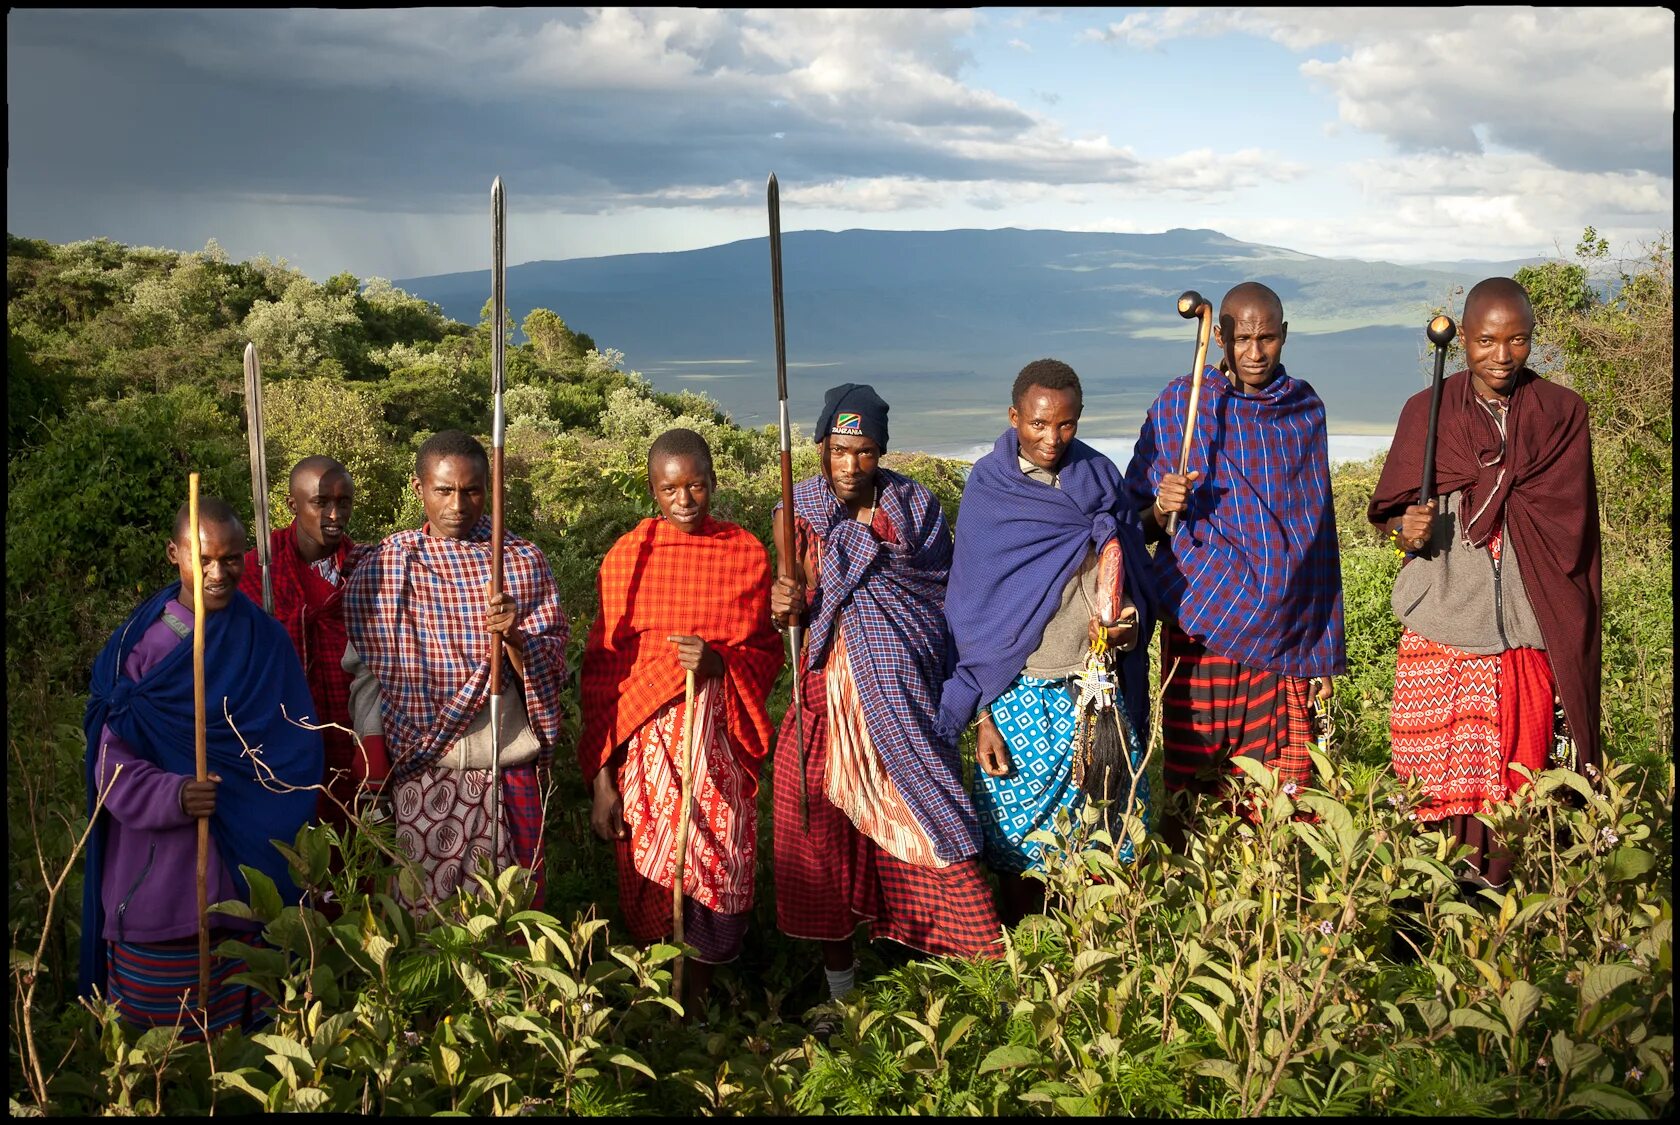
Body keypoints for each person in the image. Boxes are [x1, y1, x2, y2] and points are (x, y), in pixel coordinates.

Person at [1368, 277, 1601, 888]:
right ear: (1463, 339)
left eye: (1517, 340)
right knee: (1432, 770)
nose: (1502, 355)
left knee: (1516, 771)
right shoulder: (1428, 412)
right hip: (1443, 617)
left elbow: (1573, 527)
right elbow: (1393, 519)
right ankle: (1423, 908)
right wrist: (1406, 531)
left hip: (1529, 620)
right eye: (1486, 341)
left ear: (1533, 339)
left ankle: (1507, 902)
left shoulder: (1560, 413)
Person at [774, 384, 1003, 1001]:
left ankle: (980, 978)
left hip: (902, 701)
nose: (850, 465)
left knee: (936, 822)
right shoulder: (796, 510)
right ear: (821, 446)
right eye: (840, 450)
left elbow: (942, 598)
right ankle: (841, 992)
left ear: (882, 452)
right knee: (818, 843)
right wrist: (786, 601)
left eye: (866, 451)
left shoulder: (914, 506)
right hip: (825, 700)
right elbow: (787, 604)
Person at [79, 497, 322, 1037]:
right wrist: (175, 795)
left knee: (251, 1054)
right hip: (160, 883)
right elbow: (109, 761)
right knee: (161, 1057)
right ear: (175, 554)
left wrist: (257, 801)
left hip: (251, 882)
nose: (218, 572)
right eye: (203, 558)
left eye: (232, 558)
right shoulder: (138, 649)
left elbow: (296, 746)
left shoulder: (264, 639)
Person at [939, 361, 1155, 924]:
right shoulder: (991, 489)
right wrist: (983, 715)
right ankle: (1025, 959)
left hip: (1093, 691)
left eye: (1066, 425)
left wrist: (1127, 625)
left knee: (1110, 829)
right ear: (1015, 418)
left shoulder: (1101, 479)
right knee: (1016, 843)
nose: (1052, 439)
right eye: (1038, 425)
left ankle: (1096, 953)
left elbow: (1125, 576)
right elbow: (972, 610)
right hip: (1016, 698)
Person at [1125, 283, 1344, 836]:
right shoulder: (1183, 403)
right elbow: (1134, 523)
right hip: (1203, 622)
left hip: (1286, 635)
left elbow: (1318, 539)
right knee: (1195, 782)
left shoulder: (1304, 410)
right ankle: (1196, 908)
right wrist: (1161, 505)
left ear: (1284, 336)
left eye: (1266, 337)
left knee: (1280, 797)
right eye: (1241, 337)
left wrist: (1320, 652)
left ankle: (1272, 902)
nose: (1254, 351)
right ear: (1218, 337)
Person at [579, 428, 782, 1007]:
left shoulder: (744, 553)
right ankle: (659, 1007)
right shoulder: (629, 556)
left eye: (695, 485)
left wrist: (719, 661)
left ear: (714, 483)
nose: (684, 500)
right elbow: (602, 673)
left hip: (720, 745)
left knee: (721, 862)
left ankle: (701, 998)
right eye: (670, 489)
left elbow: (765, 652)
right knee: (655, 869)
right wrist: (601, 781)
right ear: (652, 490)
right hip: (647, 755)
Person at [342, 430, 570, 911]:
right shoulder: (389, 565)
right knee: (424, 922)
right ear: (418, 487)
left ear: (489, 490)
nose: (458, 505)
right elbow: (368, 673)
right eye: (444, 490)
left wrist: (514, 637)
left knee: (511, 921)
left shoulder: (520, 561)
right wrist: (374, 770)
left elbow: (552, 663)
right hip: (422, 772)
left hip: (504, 767)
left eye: (472, 490)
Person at [241, 456, 387, 828]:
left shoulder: (366, 569)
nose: (334, 515)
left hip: (352, 733)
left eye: (344, 503)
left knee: (356, 852)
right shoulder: (258, 569)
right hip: (279, 735)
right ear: (293, 504)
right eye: (321, 503)